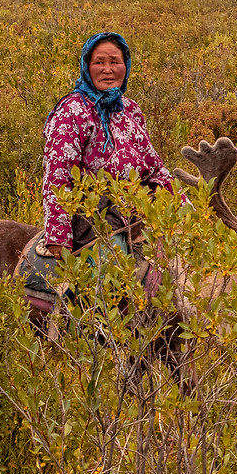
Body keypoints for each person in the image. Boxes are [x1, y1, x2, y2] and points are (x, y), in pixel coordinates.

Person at [22, 31, 181, 319]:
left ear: (126, 66)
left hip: (134, 215)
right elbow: (57, 179)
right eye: (99, 62)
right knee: (111, 282)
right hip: (91, 219)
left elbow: (155, 168)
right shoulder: (72, 112)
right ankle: (91, 337)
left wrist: (183, 208)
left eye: (115, 61)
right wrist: (60, 235)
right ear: (87, 66)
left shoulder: (130, 110)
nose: (108, 70)